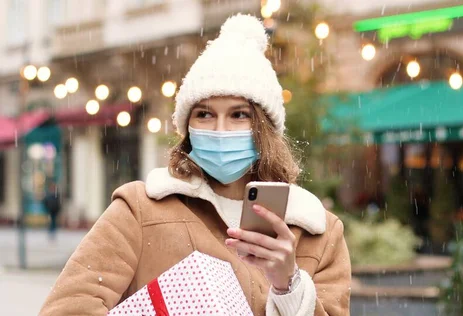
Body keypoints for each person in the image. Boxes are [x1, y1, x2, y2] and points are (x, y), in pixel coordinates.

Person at [40, 14, 351, 316]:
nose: (219, 130)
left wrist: (290, 287)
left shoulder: (318, 231)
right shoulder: (140, 210)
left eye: (239, 115)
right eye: (204, 114)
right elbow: (67, 308)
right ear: (186, 127)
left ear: (264, 129)